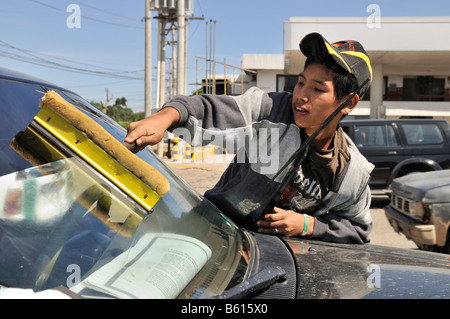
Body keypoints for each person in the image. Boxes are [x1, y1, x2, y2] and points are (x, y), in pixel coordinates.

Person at [125, 32, 374, 244]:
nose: (301, 95)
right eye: (300, 83)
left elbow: (359, 230)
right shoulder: (270, 111)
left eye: (318, 89)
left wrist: (309, 225)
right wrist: (166, 117)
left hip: (278, 261)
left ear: (348, 102)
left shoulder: (352, 172)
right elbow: (208, 110)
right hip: (215, 235)